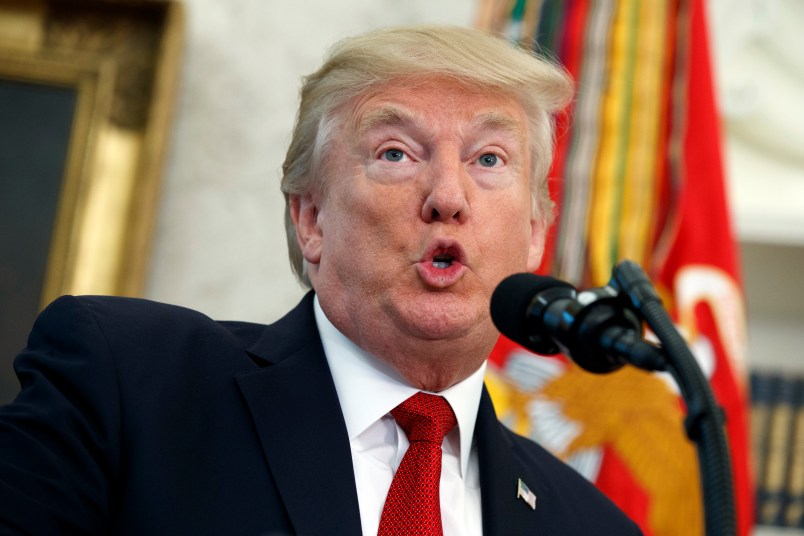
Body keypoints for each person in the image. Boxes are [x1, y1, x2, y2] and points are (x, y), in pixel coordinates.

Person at [0, 26, 641, 535]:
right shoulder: (129, 384)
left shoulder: (590, 523)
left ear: (534, 231)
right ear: (310, 218)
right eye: (396, 152)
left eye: (489, 159)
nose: (449, 196)